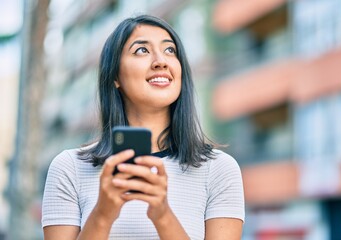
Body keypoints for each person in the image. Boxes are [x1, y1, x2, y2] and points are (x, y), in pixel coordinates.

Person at [42, 14, 245, 240]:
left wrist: (162, 214)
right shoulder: (70, 168)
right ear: (115, 76)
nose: (161, 61)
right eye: (142, 50)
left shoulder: (218, 169)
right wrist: (103, 214)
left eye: (170, 51)